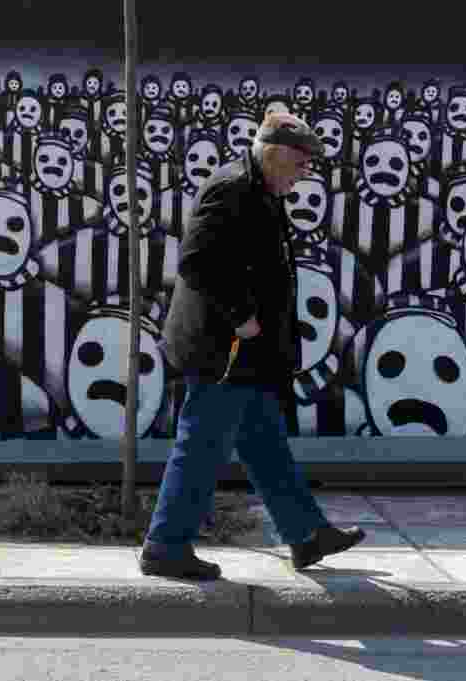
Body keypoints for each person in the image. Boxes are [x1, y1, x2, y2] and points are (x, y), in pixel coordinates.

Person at [140, 112, 366, 580]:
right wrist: (242, 318)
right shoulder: (233, 187)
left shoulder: (261, 187)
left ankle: (306, 534)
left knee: (263, 441)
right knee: (202, 443)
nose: (305, 174)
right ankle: (165, 544)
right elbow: (197, 262)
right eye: (302, 164)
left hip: (247, 351)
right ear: (277, 153)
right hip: (224, 348)